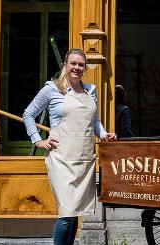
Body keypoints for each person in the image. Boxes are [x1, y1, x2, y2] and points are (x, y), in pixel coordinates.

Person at [23, 48, 116, 245]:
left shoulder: (91, 90)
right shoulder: (51, 89)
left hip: (84, 159)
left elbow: (95, 121)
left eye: (81, 65)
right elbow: (28, 114)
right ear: (65, 65)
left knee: (75, 213)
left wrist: (104, 134)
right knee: (66, 213)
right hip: (61, 159)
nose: (77, 68)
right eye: (73, 63)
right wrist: (38, 140)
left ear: (85, 68)